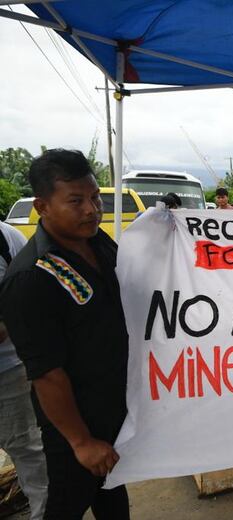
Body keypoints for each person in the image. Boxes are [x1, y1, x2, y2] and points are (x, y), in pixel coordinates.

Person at [0, 149, 130, 519]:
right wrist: (81, 441)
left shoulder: (98, 243)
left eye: (95, 198)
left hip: (114, 411)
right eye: (75, 201)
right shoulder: (30, 278)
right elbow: (46, 373)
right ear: (42, 206)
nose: (91, 210)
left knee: (112, 496)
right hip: (75, 424)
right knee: (63, 505)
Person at [0, 221, 48, 520]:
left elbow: (34, 294)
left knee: (29, 452)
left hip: (9, 371)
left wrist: (9, 321)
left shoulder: (7, 238)